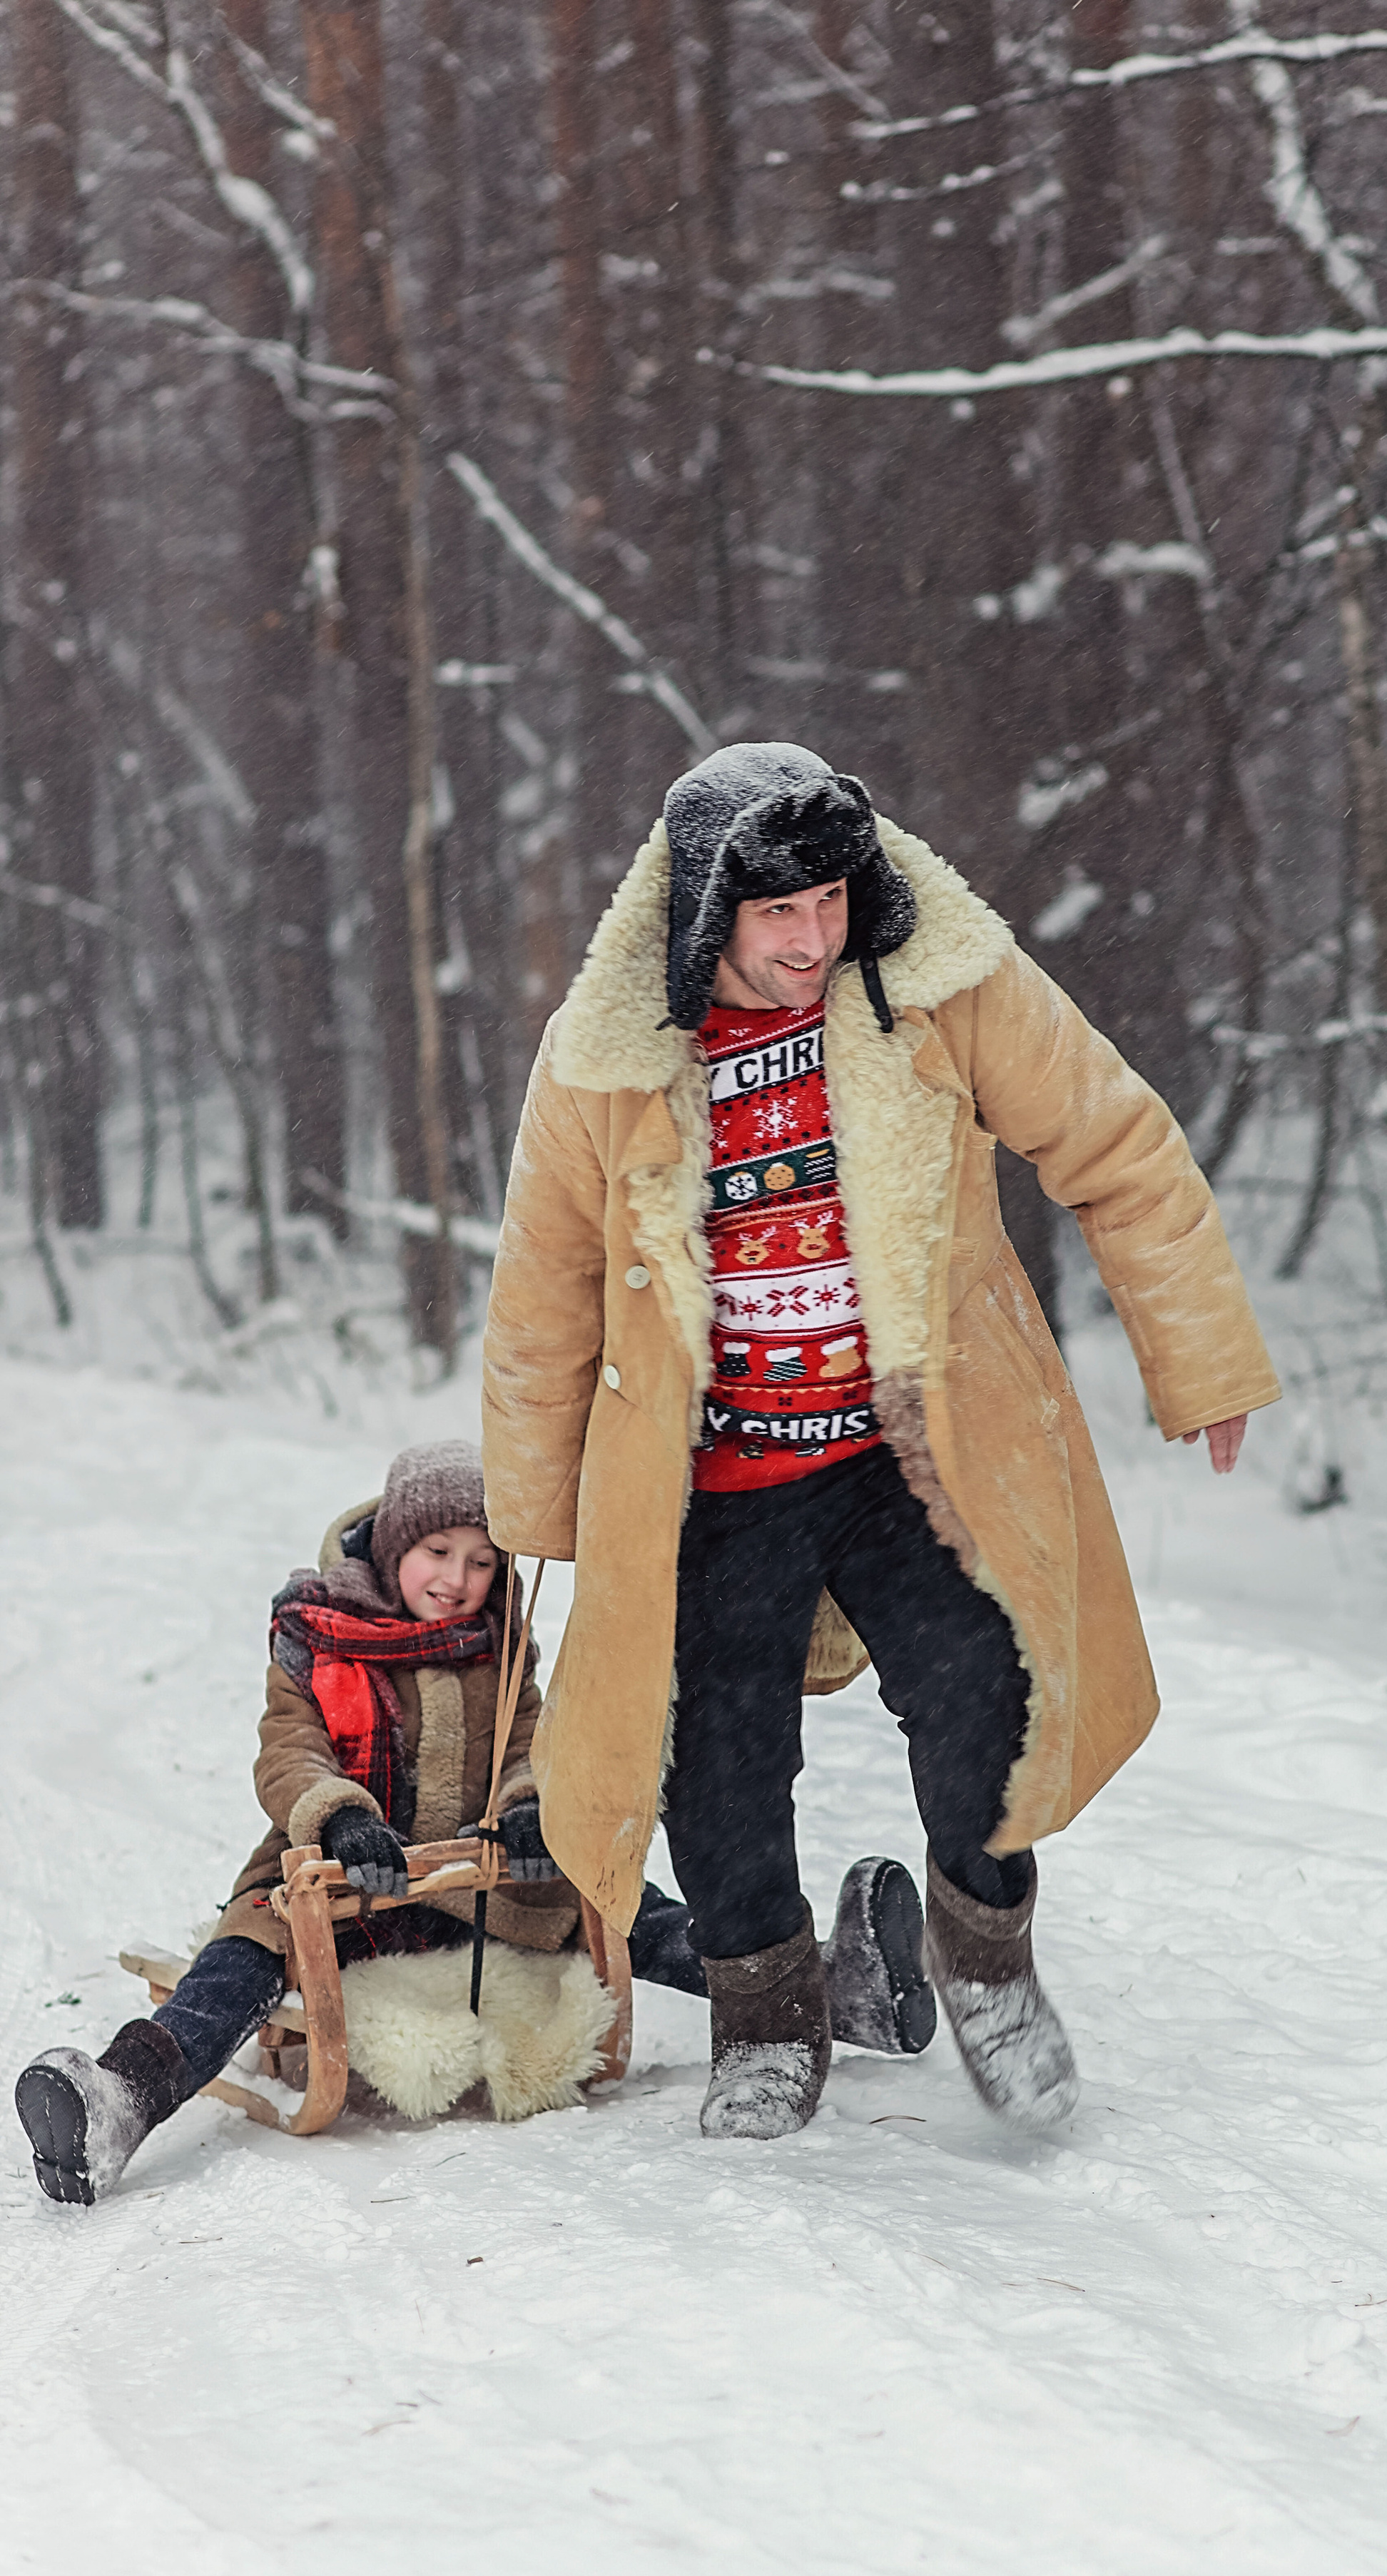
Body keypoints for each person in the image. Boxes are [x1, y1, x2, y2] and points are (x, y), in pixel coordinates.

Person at [482, 742, 1281, 2145]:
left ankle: (984, 1960)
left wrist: (1199, 1359)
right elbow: (542, 1284)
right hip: (714, 1469)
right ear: (701, 915)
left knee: (989, 1690)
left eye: (831, 904)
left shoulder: (939, 988)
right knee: (719, 1759)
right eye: (775, 915)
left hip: (907, 1449)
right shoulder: (606, 1060)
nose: (810, 941)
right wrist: (541, 1513)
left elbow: (1113, 1141)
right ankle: (766, 2013)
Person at [15, 1437, 932, 2206]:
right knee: (243, 1961)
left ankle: (838, 1994)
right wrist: (338, 1821)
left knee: (630, 1909)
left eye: (481, 1560)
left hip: (474, 1876)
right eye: (437, 1554)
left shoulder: (498, 1644)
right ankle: (123, 2097)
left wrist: (530, 1807)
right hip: (343, 1876)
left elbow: (533, 1738)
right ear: (393, 1550)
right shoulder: (317, 1635)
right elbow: (287, 1753)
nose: (457, 1580)